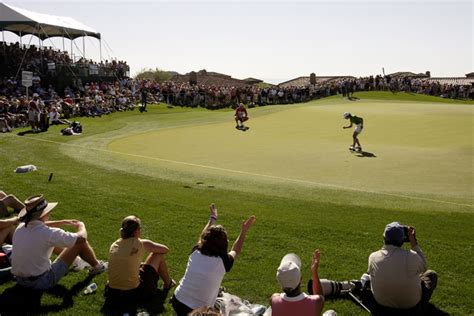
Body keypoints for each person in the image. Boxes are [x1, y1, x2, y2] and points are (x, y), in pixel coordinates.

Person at [172, 203, 256, 315]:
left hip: (177, 301)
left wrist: (213, 218)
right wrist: (244, 231)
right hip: (198, 312)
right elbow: (236, 249)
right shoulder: (223, 261)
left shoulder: (196, 250)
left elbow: (203, 237)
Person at [11, 194, 108, 290]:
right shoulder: (48, 233)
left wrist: (62, 222)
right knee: (80, 244)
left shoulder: (21, 227)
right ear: (44, 213)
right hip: (40, 282)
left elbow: (37, 225)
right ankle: (98, 267)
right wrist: (81, 225)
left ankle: (77, 262)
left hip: (20, 280)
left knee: (51, 242)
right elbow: (82, 238)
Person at [367, 222, 437, 314]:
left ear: (384, 238)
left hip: (382, 306)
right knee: (431, 274)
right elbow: (424, 267)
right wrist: (413, 242)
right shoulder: (412, 256)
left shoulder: (373, 256)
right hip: (411, 309)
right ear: (402, 240)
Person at [106, 215, 175, 302]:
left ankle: (167, 283)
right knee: (158, 255)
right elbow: (165, 249)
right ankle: (168, 283)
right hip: (134, 293)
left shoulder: (115, 244)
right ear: (136, 231)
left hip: (112, 292)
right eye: (140, 228)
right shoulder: (141, 243)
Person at [271, 250, 325, 315]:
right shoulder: (316, 302)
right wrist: (314, 271)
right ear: (301, 279)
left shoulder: (274, 299)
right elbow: (320, 296)